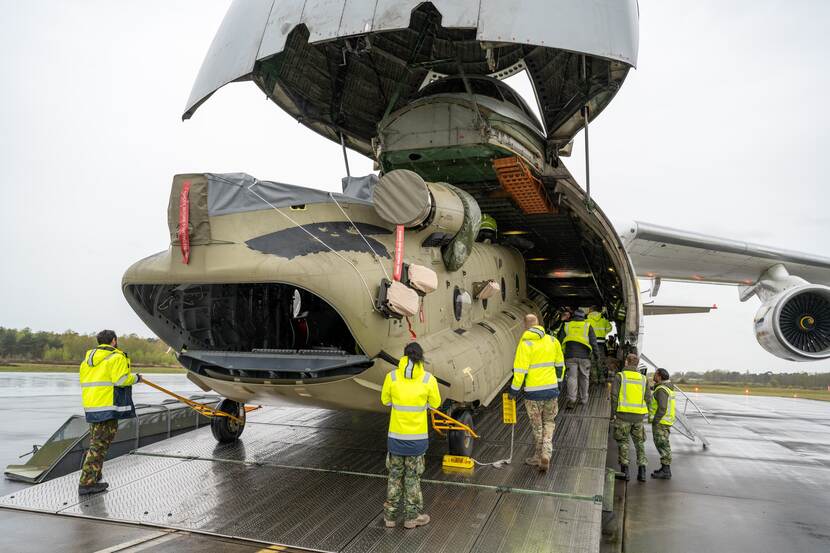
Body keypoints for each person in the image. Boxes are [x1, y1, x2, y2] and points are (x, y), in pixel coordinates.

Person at [381, 342, 441, 529]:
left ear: (404, 355)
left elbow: (385, 400)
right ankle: (411, 518)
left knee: (394, 477)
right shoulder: (428, 379)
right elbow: (436, 403)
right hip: (417, 441)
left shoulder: (391, 377)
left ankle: (390, 518)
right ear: (421, 357)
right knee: (412, 479)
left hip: (396, 439)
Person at [78, 330, 142, 495]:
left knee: (96, 441)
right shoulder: (116, 357)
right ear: (114, 341)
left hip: (93, 406)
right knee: (99, 445)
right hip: (108, 406)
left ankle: (95, 474)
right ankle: (87, 484)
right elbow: (121, 381)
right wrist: (136, 378)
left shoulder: (87, 360)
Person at [508, 314, 564, 472]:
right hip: (551, 391)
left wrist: (513, 391)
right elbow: (560, 365)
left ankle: (539, 456)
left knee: (537, 426)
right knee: (549, 422)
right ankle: (545, 453)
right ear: (539, 324)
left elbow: (520, 371)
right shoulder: (553, 341)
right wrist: (558, 383)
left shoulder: (525, 344)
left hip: (533, 394)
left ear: (526, 325)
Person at [610, 354, 651, 482]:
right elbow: (648, 398)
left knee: (623, 443)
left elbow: (614, 396)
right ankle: (642, 472)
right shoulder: (644, 379)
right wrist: (645, 413)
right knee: (640, 443)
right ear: (637, 364)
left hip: (623, 416)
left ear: (626, 363)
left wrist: (614, 413)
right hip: (638, 417)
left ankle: (625, 472)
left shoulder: (620, 376)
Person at [558, 309, 599, 408]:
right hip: (585, 357)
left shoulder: (567, 325)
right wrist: (597, 355)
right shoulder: (587, 326)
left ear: (573, 316)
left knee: (572, 378)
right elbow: (593, 342)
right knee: (584, 378)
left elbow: (559, 340)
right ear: (583, 317)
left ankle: (571, 400)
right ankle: (583, 399)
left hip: (570, 356)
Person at [649, 368, 676, 479]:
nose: (653, 376)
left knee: (663, 445)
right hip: (665, 421)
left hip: (661, 422)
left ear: (659, 376)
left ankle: (666, 471)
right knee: (663, 444)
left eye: (655, 374)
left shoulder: (661, 389)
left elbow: (662, 407)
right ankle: (664, 468)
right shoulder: (666, 388)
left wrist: (656, 420)